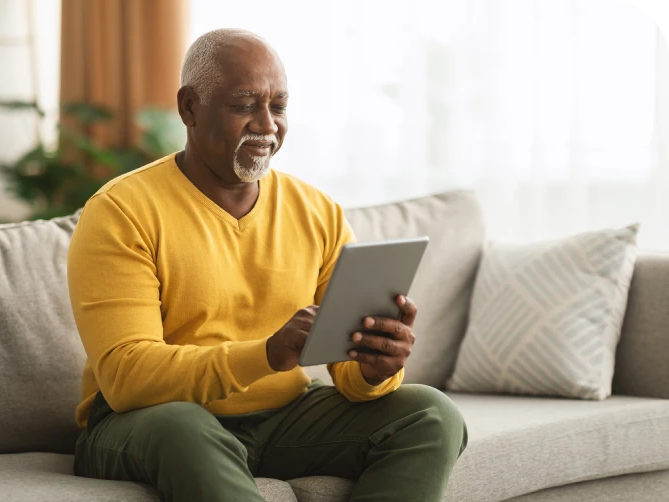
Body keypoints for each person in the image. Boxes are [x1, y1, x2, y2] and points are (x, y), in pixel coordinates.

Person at [67, 28, 467, 502]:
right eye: (244, 105)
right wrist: (265, 354)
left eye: (277, 106)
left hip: (282, 418)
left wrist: (375, 368)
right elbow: (126, 377)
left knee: (430, 413)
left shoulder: (317, 210)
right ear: (189, 107)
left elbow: (349, 375)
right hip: (147, 421)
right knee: (183, 425)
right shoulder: (121, 211)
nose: (267, 124)